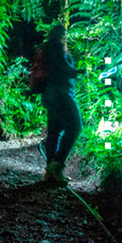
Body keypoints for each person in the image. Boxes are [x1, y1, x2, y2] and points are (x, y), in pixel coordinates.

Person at [41, 24, 83, 186]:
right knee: (75, 126)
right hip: (61, 95)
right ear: (61, 34)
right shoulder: (57, 47)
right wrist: (78, 71)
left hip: (50, 95)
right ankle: (56, 165)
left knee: (54, 131)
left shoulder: (47, 47)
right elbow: (62, 69)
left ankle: (50, 173)